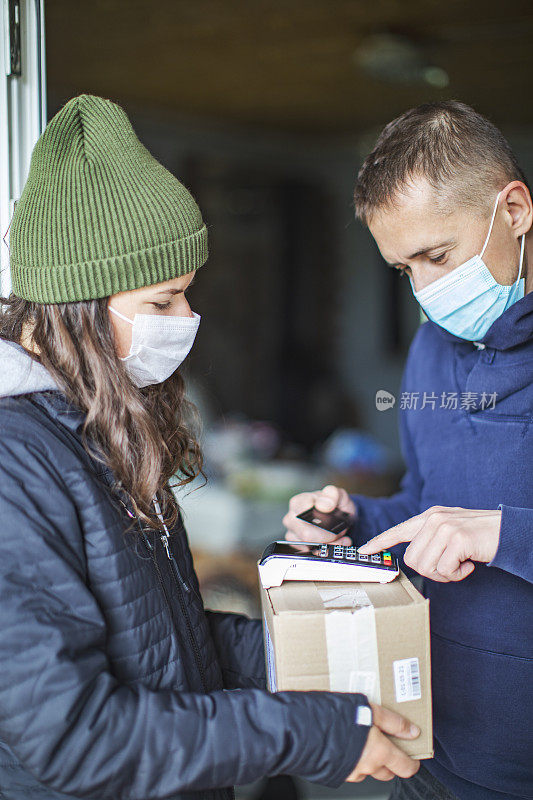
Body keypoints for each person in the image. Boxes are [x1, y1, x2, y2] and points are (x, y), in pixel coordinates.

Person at [0, 93, 421, 800]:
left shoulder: (98, 429)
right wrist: (305, 732)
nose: (187, 321)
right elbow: (73, 735)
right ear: (75, 310)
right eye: (162, 303)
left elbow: (168, 643)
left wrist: (321, 652)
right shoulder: (15, 467)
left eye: (187, 295)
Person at [284, 101, 533, 800]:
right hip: (434, 760)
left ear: (512, 209)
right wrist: (352, 521)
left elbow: (474, 528)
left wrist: (502, 533)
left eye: (436, 256)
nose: (425, 292)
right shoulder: (430, 349)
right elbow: (426, 506)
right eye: (403, 270)